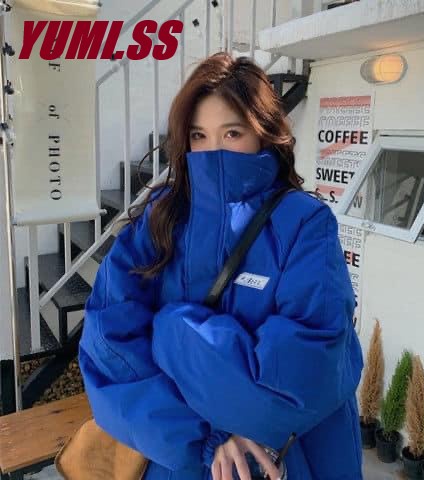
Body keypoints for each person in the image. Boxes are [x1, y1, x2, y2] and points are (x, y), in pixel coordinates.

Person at [79, 52, 364, 480]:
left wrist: (173, 332)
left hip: (283, 457)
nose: (213, 152)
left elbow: (308, 364)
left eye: (232, 133)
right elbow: (108, 344)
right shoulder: (162, 216)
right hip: (180, 458)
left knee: (172, 326)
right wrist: (201, 435)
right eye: (199, 135)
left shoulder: (303, 223)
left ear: (263, 134)